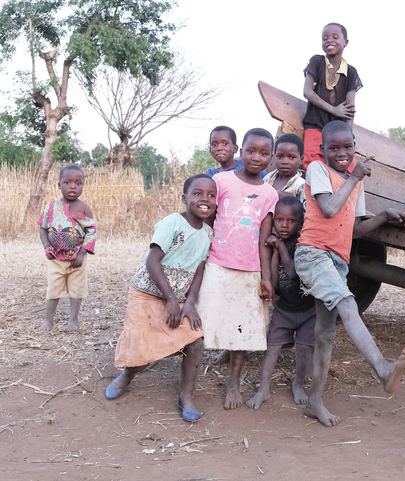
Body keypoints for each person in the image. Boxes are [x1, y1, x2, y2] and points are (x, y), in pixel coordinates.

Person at [294, 120, 405, 427]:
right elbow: (329, 209)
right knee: (348, 304)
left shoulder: (355, 182)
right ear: (322, 151)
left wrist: (384, 216)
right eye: (333, 148)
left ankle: (315, 401)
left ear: (354, 147)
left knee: (325, 333)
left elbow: (356, 227)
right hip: (312, 253)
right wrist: (355, 176)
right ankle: (383, 368)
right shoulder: (317, 171)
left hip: (336, 260)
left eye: (347, 147)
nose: (341, 153)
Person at [105, 174, 217, 423]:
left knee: (195, 339)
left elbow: (199, 269)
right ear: (184, 197)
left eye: (211, 195)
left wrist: (189, 302)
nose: (205, 199)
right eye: (197, 193)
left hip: (176, 299)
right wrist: (170, 299)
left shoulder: (208, 233)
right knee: (142, 344)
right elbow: (152, 260)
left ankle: (186, 396)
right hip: (147, 293)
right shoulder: (172, 222)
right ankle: (127, 375)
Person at [196, 128, 279, 410]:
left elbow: (265, 239)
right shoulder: (220, 181)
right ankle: (190, 376)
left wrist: (266, 278)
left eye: (264, 153)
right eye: (251, 151)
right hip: (217, 264)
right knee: (204, 319)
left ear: (271, 158)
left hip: (250, 270)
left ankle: (233, 382)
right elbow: (206, 218)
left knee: (242, 329)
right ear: (240, 152)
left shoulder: (270, 193)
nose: (257, 157)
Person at [246, 197, 314, 409]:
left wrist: (280, 247)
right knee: (272, 348)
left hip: (308, 310)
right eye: (280, 220)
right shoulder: (276, 242)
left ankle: (298, 385)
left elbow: (292, 272)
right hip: (284, 309)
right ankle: (263, 389)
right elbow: (275, 283)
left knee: (304, 349)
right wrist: (275, 252)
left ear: (300, 222)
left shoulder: (302, 244)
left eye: (291, 221)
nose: (284, 225)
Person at [37, 165, 97, 332]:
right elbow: (42, 228)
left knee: (76, 291)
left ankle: (73, 320)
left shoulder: (84, 208)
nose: (73, 186)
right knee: (53, 290)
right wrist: (46, 247)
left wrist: (82, 252)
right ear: (59, 185)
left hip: (77, 260)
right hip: (55, 259)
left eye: (78, 183)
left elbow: (91, 232)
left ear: (83, 186)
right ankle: (48, 320)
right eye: (67, 182)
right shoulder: (51, 207)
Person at [302, 23, 362, 171]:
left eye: (335, 37)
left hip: (339, 133)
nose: (329, 40)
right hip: (315, 127)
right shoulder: (317, 62)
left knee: (347, 171)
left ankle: (339, 195)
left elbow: (350, 108)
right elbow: (307, 92)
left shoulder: (351, 72)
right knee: (312, 166)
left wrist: (348, 136)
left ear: (345, 42)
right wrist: (334, 110)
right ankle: (316, 195)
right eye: (325, 38)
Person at [264, 134, 306, 205]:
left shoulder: (301, 186)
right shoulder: (268, 178)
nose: (285, 162)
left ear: (301, 160)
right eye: (280, 156)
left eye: (291, 157)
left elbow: (304, 213)